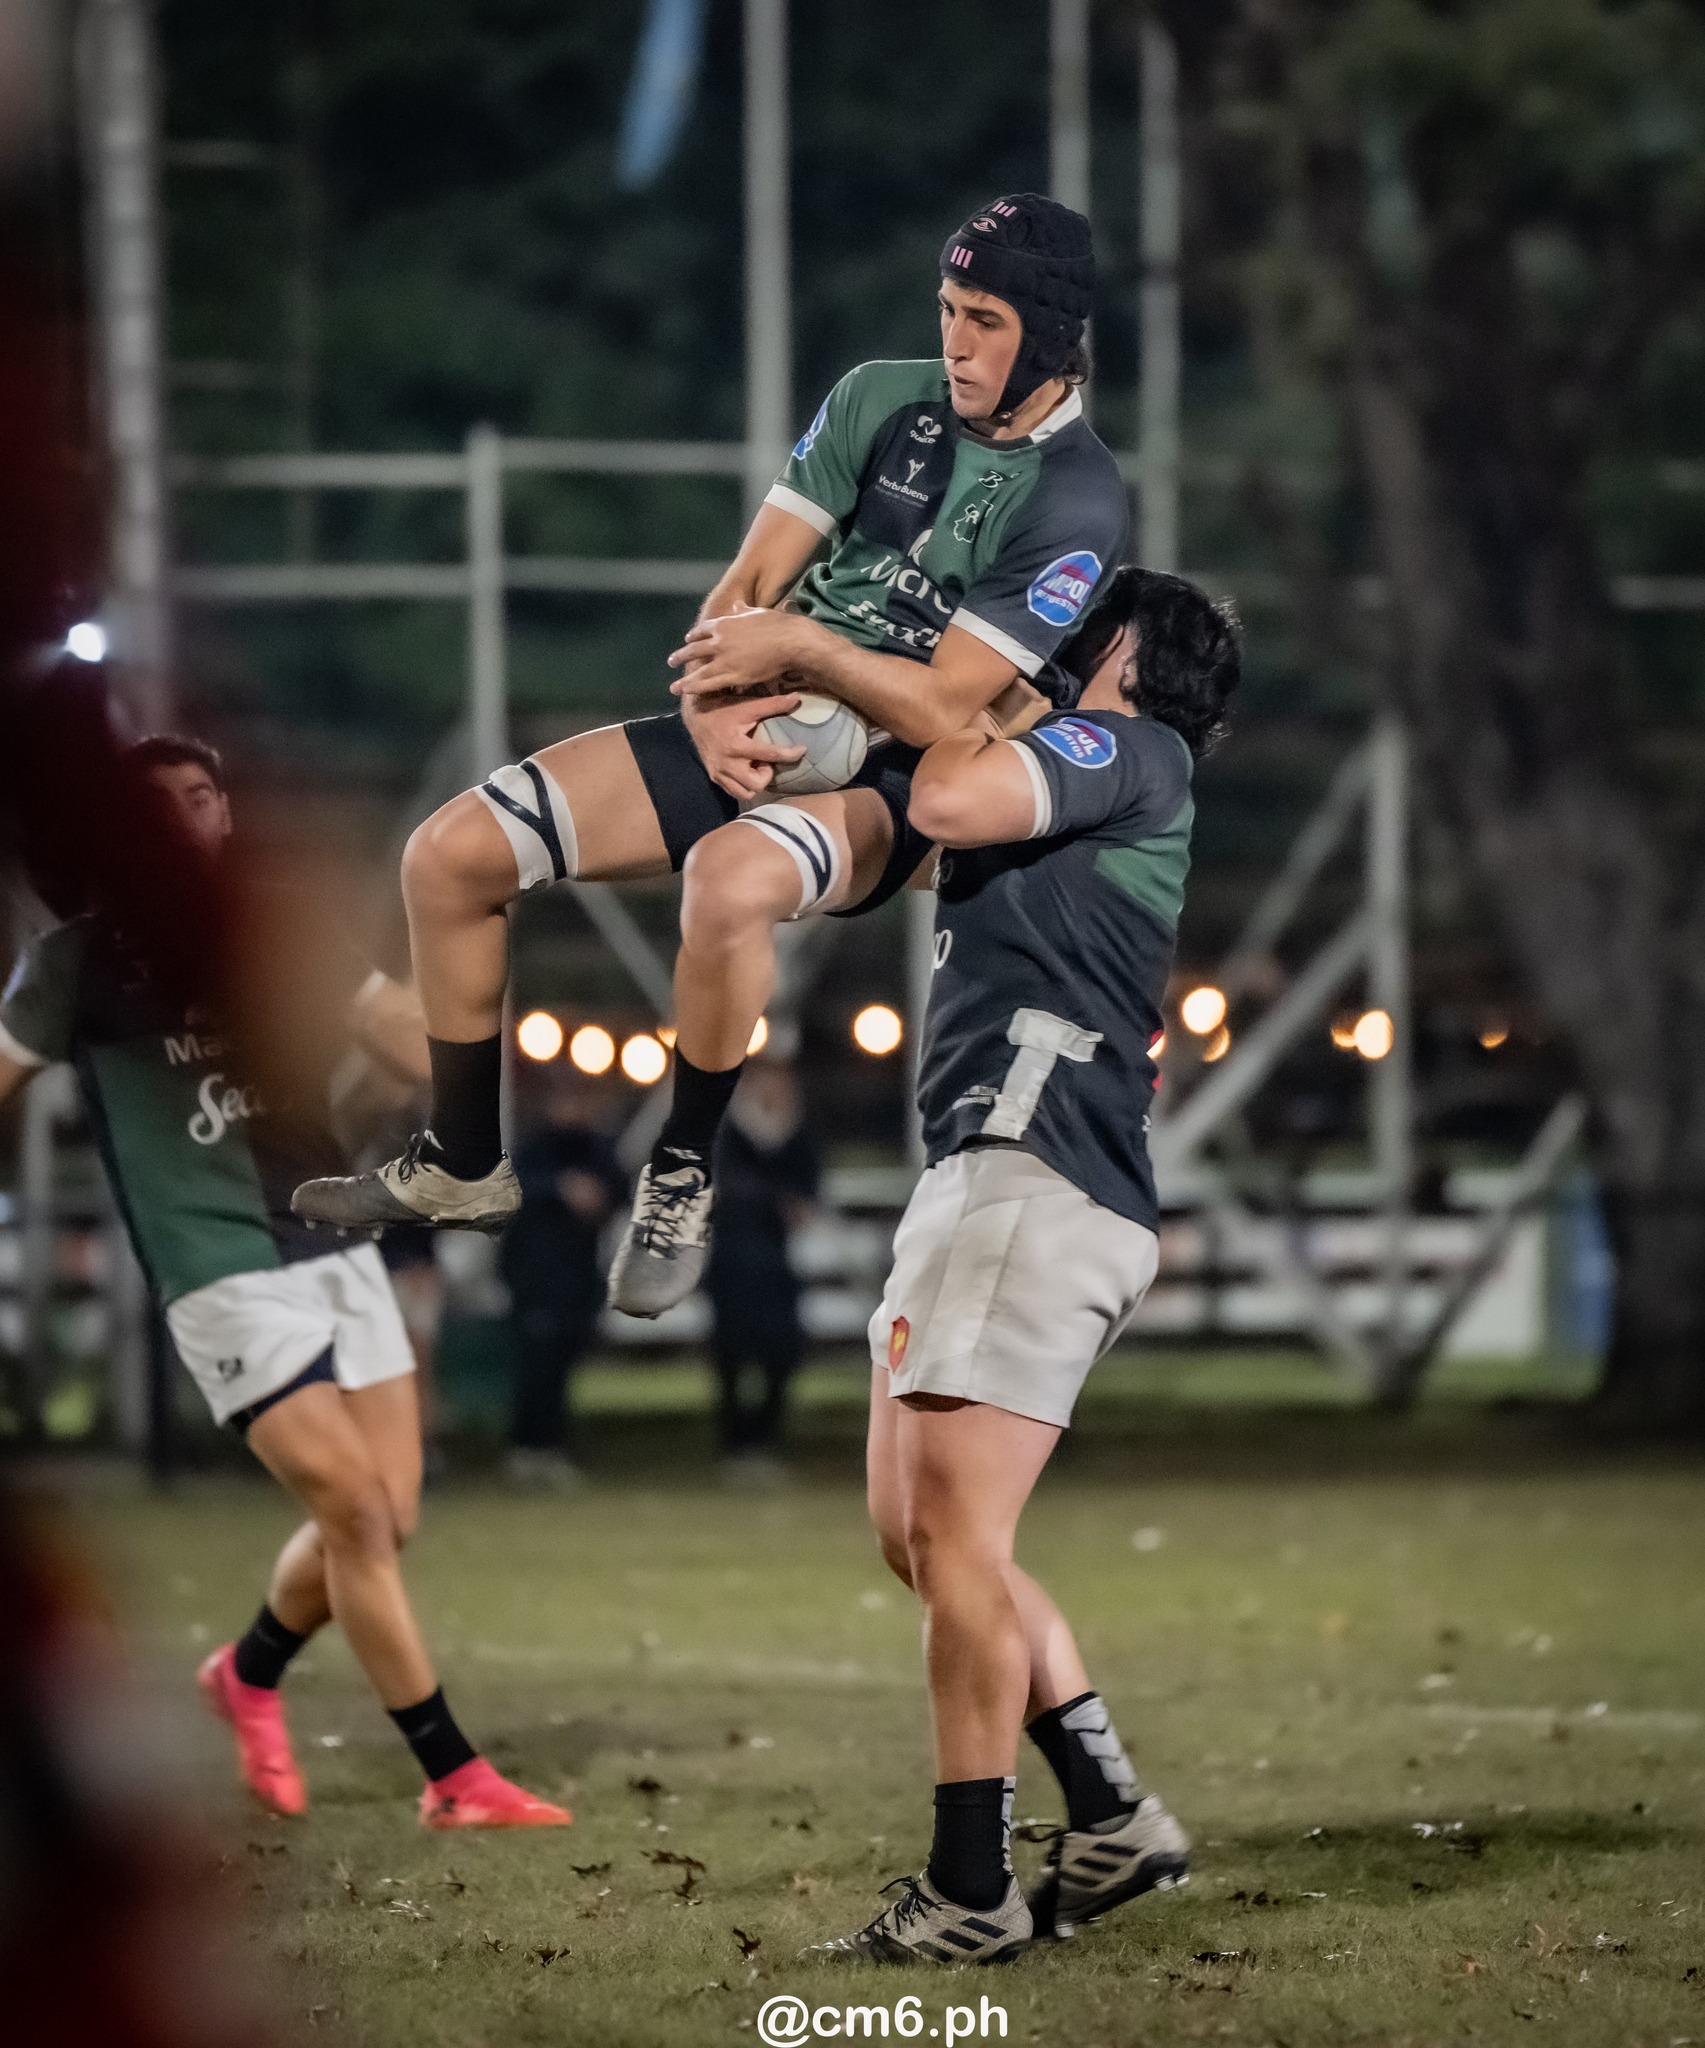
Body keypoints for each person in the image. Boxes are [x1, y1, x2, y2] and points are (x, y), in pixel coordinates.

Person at [291, 192, 1128, 1326]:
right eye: (946, 308)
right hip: (776, 705)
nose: (955, 341)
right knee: (449, 856)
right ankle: (462, 1158)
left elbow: (940, 707)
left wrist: (802, 646)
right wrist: (709, 702)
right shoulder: (880, 397)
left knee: (726, 880)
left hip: (900, 777)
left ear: (1049, 332)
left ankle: (680, 1169)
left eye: (984, 319)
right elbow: (744, 589)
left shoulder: (1076, 495)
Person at [0, 736, 568, 1830]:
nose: (181, 816)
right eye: (153, 803)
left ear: (222, 816)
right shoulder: (71, 962)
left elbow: (405, 1044)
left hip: (332, 1239)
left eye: (201, 794)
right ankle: (454, 1776)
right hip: (216, 1264)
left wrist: (452, 978)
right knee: (352, 1505)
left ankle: (248, 1671)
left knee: (385, 1514)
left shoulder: (263, 931)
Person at [811, 568, 1241, 1964]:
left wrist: (952, 685)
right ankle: (1110, 1810)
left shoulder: (1126, 744)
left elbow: (941, 799)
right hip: (1001, 1179)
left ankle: (970, 1890)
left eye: (1073, 633)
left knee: (958, 1548)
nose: (1046, 653)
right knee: (920, 1539)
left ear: (1120, 652)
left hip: (1029, 1173)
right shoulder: (1091, 760)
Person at [498, 1070, 627, 1486]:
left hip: (577, 1274)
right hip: (535, 1273)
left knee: (561, 1363)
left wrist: (596, 1196)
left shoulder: (597, 1148)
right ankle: (527, 1446)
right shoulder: (532, 1148)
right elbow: (513, 1193)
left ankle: (551, 1446)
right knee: (535, 1362)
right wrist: (560, 1190)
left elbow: (619, 1188)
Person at [703, 1054, 820, 1477]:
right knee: (731, 1354)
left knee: (781, 1351)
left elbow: (807, 1197)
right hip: (733, 1259)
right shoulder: (727, 1130)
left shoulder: (797, 1132)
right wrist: (774, 1201)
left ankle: (765, 1439)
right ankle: (735, 1443)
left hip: (776, 1263)